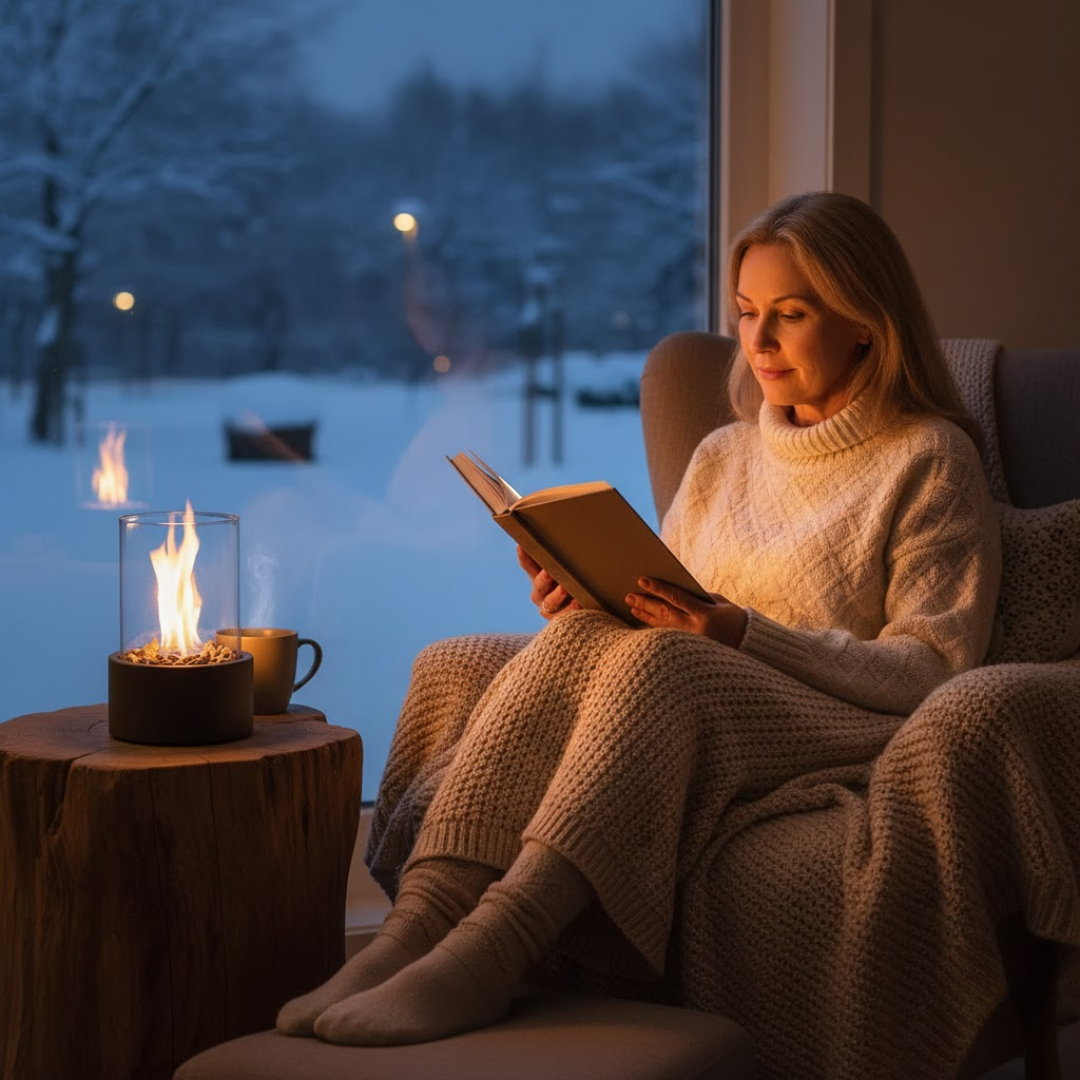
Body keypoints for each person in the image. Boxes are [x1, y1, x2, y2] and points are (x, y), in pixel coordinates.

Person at [275, 191, 1001, 1050]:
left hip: (847, 720)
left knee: (663, 665)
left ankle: (494, 952)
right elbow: (665, 605)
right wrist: (591, 595)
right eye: (746, 314)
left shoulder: (928, 459)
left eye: (791, 315)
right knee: (515, 648)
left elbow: (932, 668)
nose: (758, 343)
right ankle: (414, 934)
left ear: (866, 323)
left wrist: (739, 633)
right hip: (699, 686)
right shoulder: (725, 454)